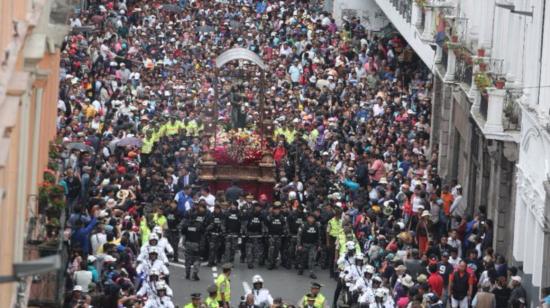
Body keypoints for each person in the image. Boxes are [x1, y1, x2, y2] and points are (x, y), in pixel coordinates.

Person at [266, 202, 288, 270]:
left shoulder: (282, 217)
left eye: (278, 209)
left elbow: (285, 226)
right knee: (271, 251)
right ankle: (270, 263)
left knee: (276, 250)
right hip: (272, 236)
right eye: (275, 209)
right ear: (273, 210)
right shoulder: (269, 217)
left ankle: (275, 263)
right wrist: (266, 232)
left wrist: (285, 231)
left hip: (279, 236)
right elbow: (266, 225)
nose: (276, 210)